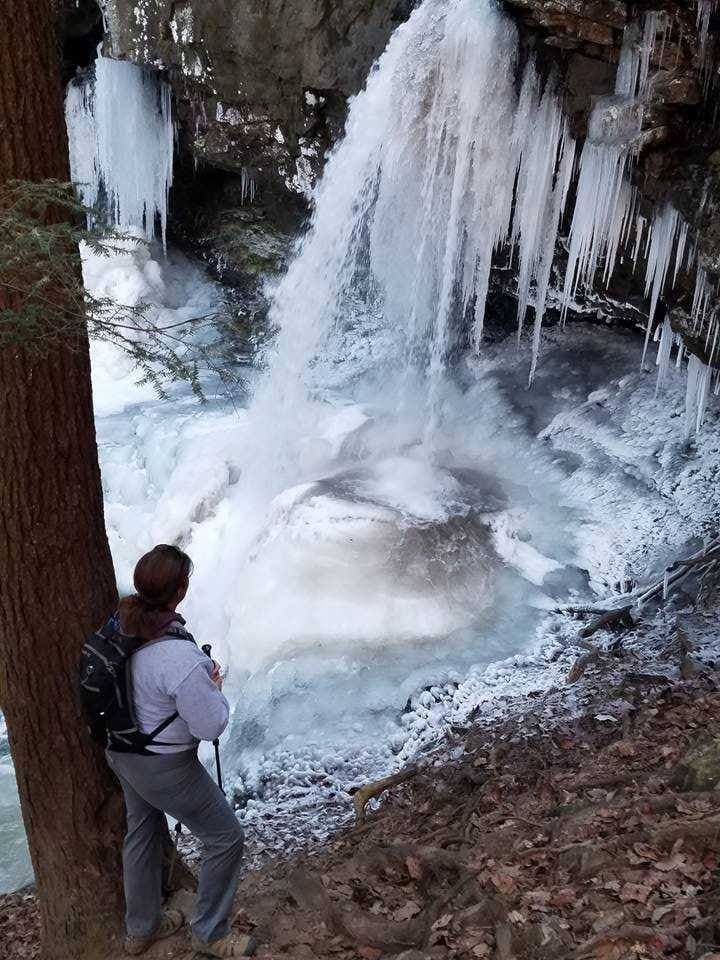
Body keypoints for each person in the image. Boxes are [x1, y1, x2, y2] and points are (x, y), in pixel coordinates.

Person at [104, 544, 255, 958]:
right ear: (181, 590)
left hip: (121, 752)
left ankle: (141, 930)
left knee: (142, 831)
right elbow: (210, 726)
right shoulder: (180, 657)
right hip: (163, 766)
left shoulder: (121, 626)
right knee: (225, 838)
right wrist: (214, 690)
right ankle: (209, 932)